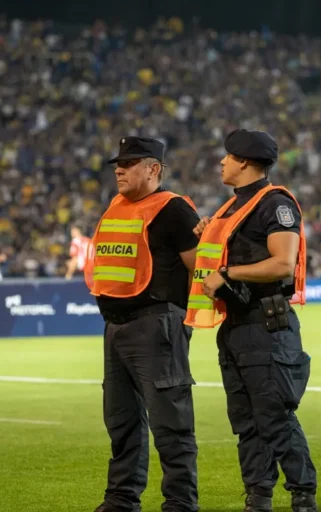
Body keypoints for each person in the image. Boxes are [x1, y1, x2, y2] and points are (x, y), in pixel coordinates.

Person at [184, 129, 318, 512]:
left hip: (267, 324)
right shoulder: (230, 209)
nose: (221, 162)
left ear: (245, 161)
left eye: (228, 156)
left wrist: (229, 272)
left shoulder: (275, 204)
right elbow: (220, 258)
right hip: (236, 324)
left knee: (274, 417)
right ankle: (258, 497)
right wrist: (206, 234)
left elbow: (282, 263)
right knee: (245, 422)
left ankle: (303, 496)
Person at [85, 136, 201, 512]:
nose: (119, 168)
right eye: (119, 162)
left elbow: (200, 270)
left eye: (130, 162)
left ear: (154, 169)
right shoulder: (117, 206)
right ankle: (121, 499)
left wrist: (183, 324)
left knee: (170, 423)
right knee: (121, 422)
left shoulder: (174, 210)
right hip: (116, 327)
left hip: (157, 326)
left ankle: (180, 503)